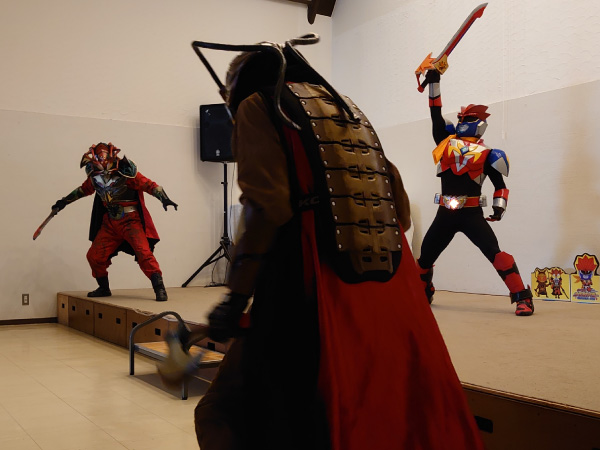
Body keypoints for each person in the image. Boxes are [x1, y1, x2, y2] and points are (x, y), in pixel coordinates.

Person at [189, 35, 484, 450]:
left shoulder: (258, 105)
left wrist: (235, 298)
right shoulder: (348, 108)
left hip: (312, 283)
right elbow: (400, 210)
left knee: (227, 413)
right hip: (392, 290)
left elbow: (266, 206)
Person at [415, 69, 534, 316]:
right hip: (445, 213)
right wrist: (434, 83)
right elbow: (435, 114)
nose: (463, 122)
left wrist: (499, 207)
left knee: (496, 254)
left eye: (468, 118)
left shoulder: (490, 155)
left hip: (471, 214)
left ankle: (522, 296)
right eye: (461, 118)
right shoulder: (445, 143)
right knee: (425, 258)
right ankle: (423, 291)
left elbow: (500, 185)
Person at [50, 142, 177, 301]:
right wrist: (63, 202)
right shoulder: (94, 176)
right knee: (94, 256)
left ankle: (159, 288)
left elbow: (149, 185)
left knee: (144, 253)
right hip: (110, 223)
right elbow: (82, 190)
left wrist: (164, 198)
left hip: (130, 221)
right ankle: (103, 288)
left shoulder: (126, 172)